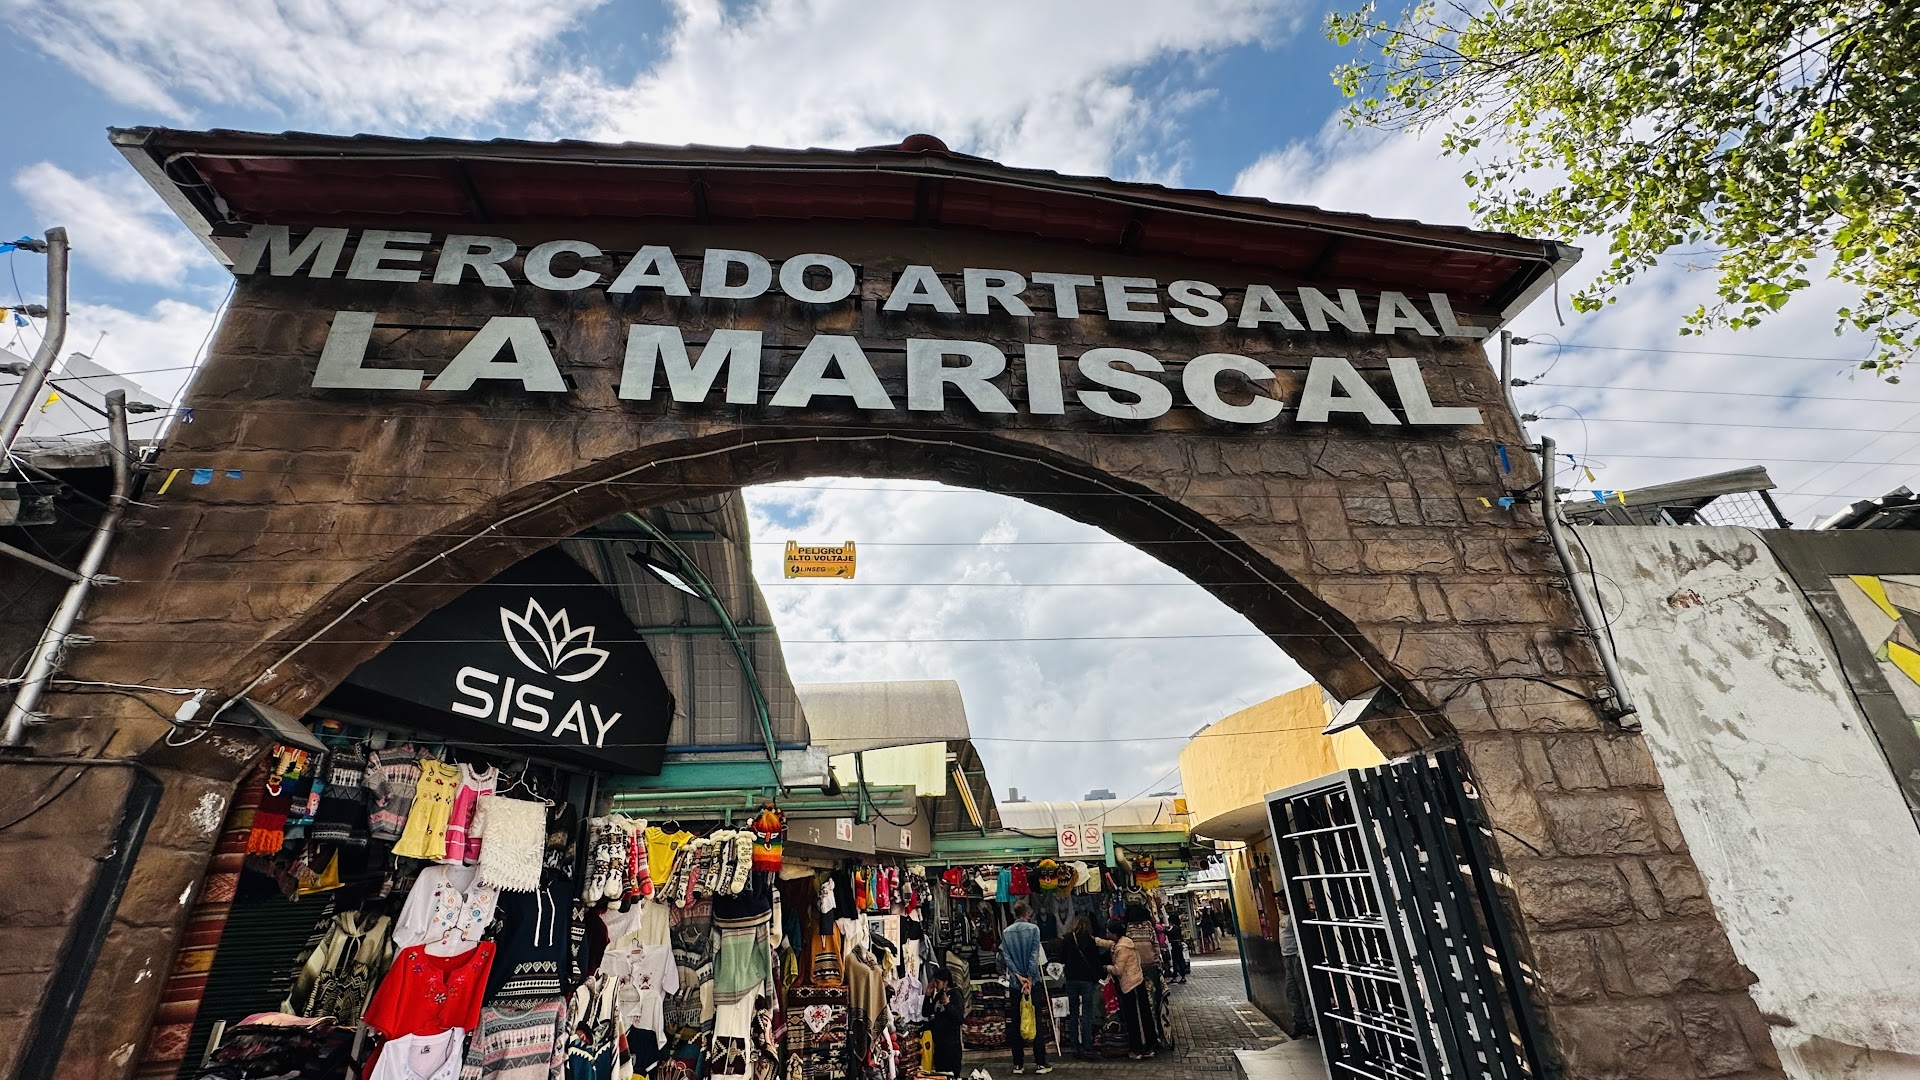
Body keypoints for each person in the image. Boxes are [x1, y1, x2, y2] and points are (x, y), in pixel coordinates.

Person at [999, 902, 1052, 1075]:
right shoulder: (1034, 929)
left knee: (1016, 1022)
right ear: (1027, 913)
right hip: (1032, 982)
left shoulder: (1006, 932)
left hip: (1016, 984)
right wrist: (1029, 978)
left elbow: (1007, 958)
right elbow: (1033, 955)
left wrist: (1018, 976)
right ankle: (1040, 1062)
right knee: (1035, 1020)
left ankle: (1018, 1064)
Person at [1054, 915, 1107, 1060]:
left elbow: (1061, 959)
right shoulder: (1090, 940)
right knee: (1087, 1014)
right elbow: (1095, 961)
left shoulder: (1067, 939)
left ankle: (1074, 1046)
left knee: (1073, 1013)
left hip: (1072, 979)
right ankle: (1087, 1045)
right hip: (1087, 981)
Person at [1105, 919, 1153, 1061]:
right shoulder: (1126, 943)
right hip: (1137, 981)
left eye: (1108, 932)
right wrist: (1095, 940)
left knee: (1135, 1018)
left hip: (1130, 985)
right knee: (1143, 1014)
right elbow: (1107, 943)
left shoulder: (1122, 948)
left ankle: (1138, 1048)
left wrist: (1107, 967)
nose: (1107, 934)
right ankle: (1148, 1046)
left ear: (1114, 934)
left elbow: (1118, 970)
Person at [925, 965, 965, 1076]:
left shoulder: (956, 995)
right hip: (939, 1045)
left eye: (938, 982)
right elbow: (926, 1012)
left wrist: (947, 1005)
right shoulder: (939, 996)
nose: (936, 985)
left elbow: (958, 1019)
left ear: (946, 982)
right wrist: (928, 995)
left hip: (951, 1046)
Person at [1279, 910, 1311, 1039]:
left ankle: (1311, 1022)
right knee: (1292, 991)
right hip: (1287, 956)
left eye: (1281, 901)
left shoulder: (1294, 917)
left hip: (1295, 956)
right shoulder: (1283, 917)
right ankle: (1300, 1022)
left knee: (1303, 990)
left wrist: (1299, 954)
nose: (1279, 904)